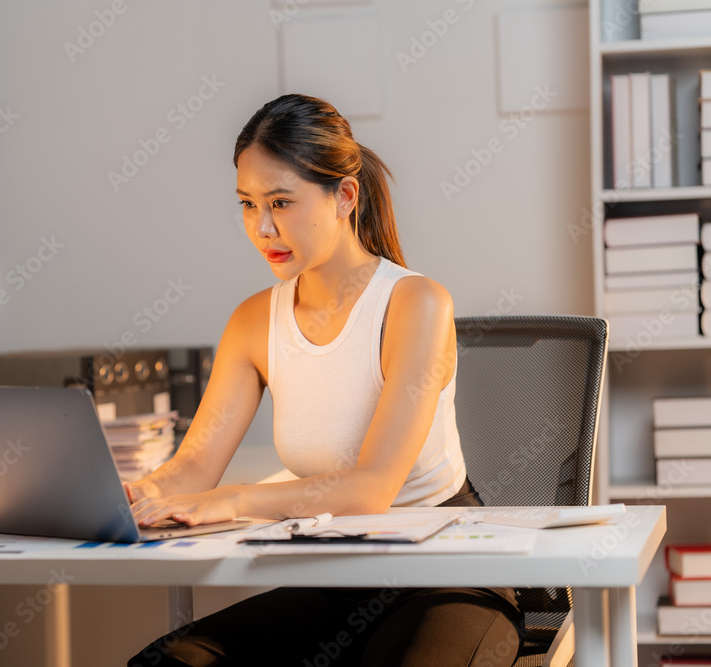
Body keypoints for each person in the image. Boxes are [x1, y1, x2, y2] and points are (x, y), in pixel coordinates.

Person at [125, 94, 522, 667]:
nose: (262, 228)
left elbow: (371, 489)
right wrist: (141, 495)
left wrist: (233, 499)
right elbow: (194, 466)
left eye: (281, 202)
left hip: (445, 576)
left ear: (345, 197)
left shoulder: (416, 304)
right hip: (338, 580)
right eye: (247, 204)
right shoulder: (252, 321)